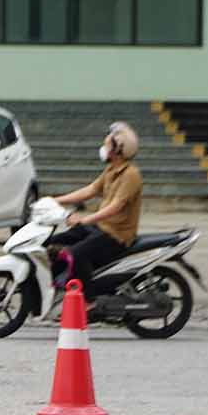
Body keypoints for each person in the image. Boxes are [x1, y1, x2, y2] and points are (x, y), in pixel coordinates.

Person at [47, 121, 144, 300]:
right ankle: (59, 288)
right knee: (50, 242)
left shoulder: (131, 175)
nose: (103, 148)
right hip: (101, 228)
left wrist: (85, 219)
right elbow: (90, 191)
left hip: (117, 235)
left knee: (76, 254)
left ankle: (88, 301)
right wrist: (55, 200)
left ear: (118, 150)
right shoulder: (111, 170)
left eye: (107, 145)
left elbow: (116, 207)